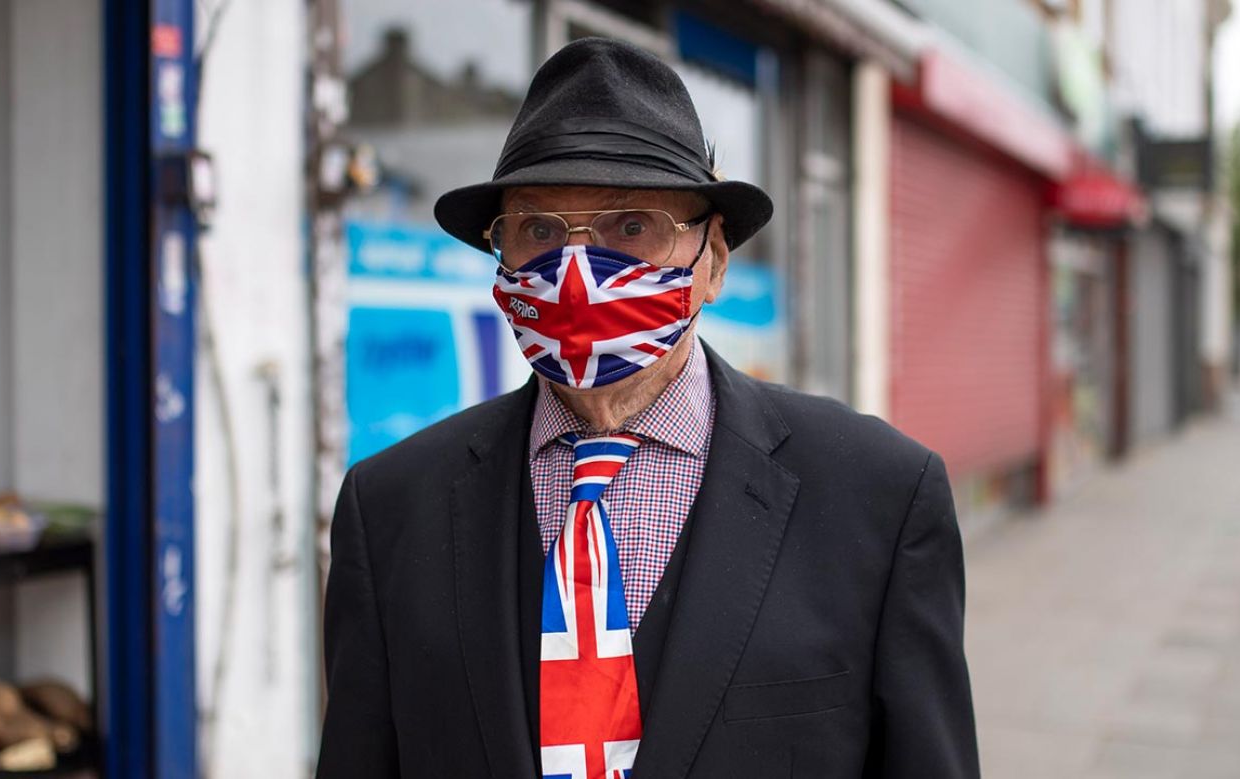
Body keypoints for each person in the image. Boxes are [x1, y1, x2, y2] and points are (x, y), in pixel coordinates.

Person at [316, 37, 979, 778]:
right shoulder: (390, 509)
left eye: (632, 228)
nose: (574, 273)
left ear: (714, 263)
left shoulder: (878, 499)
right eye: (537, 231)